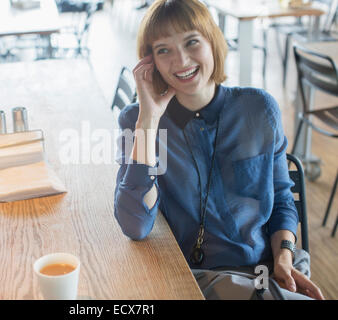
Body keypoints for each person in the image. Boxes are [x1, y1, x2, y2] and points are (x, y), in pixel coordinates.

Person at [113, 0, 325, 300]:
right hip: (190, 280)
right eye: (164, 50)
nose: (181, 60)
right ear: (150, 63)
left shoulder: (259, 109)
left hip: (261, 271)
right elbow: (135, 225)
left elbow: (280, 200)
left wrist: (284, 257)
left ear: (213, 42)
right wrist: (148, 119)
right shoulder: (137, 122)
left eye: (191, 42)